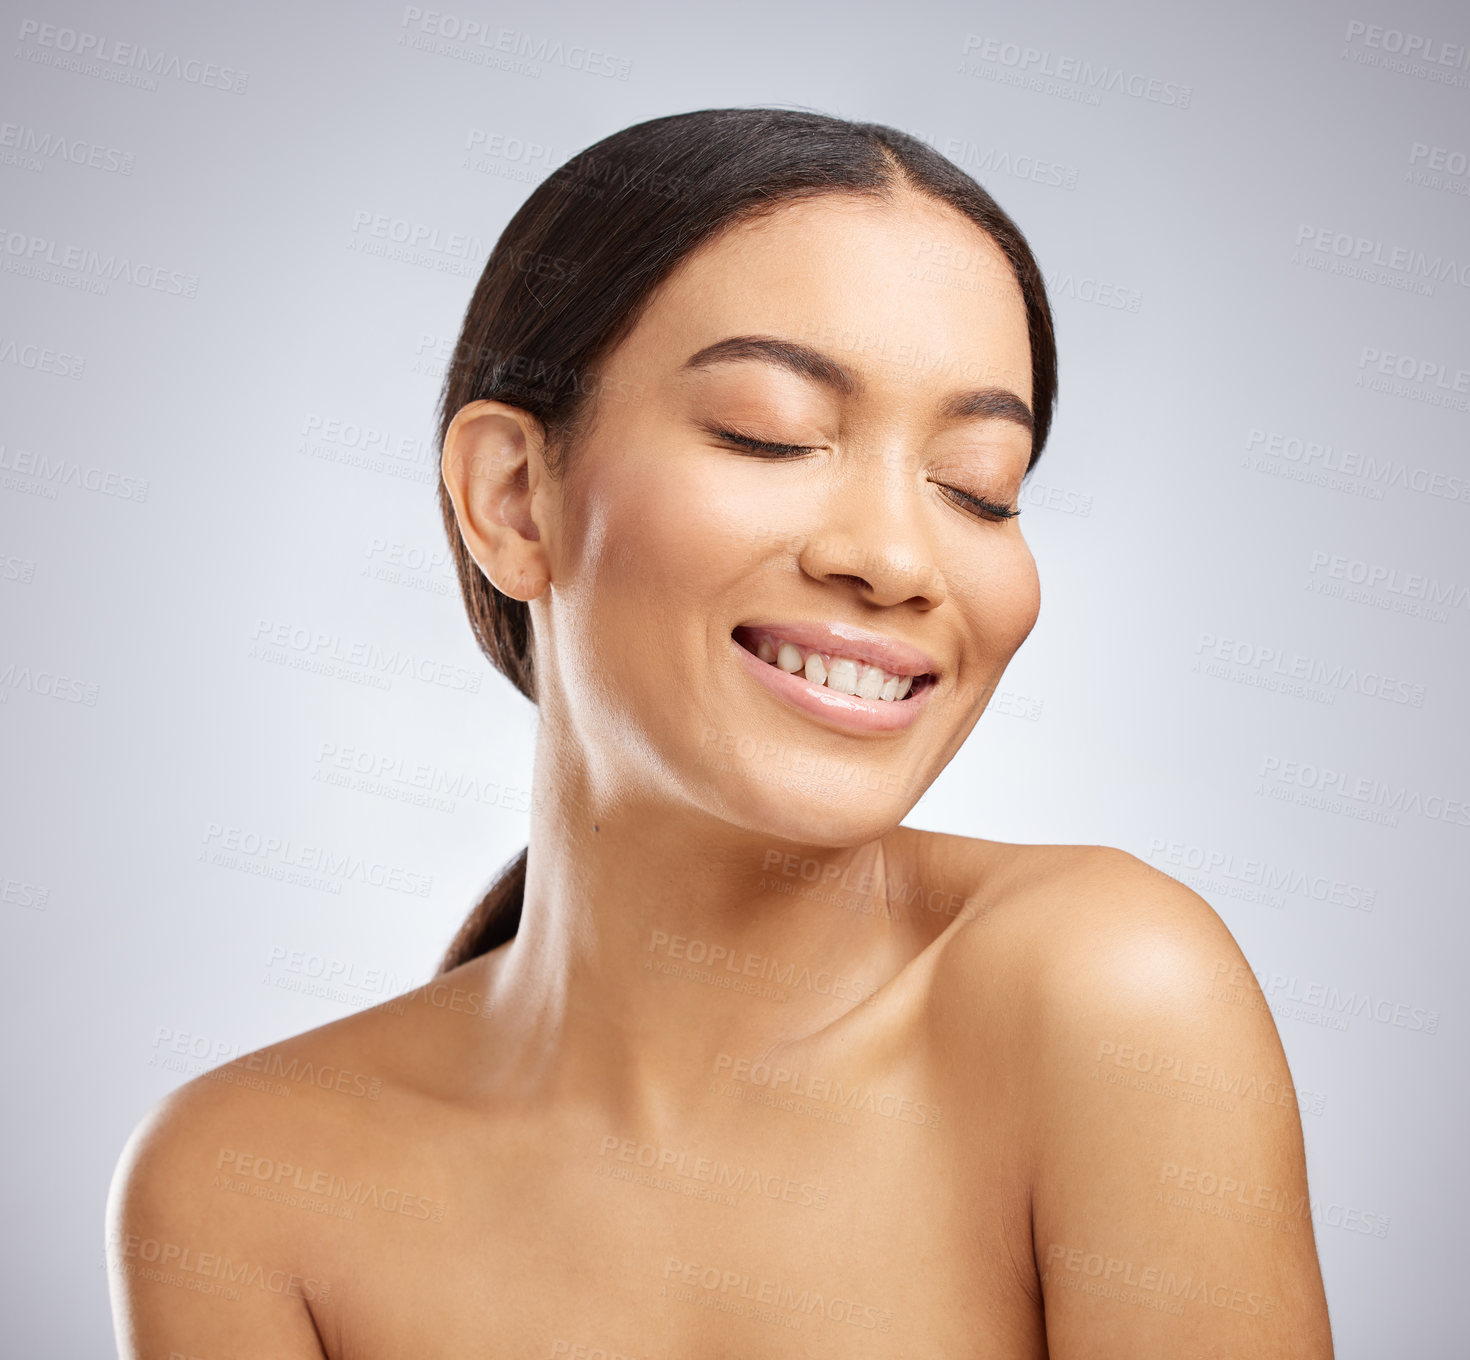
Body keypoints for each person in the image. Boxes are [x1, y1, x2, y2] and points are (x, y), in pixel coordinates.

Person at [106, 107, 1334, 1357]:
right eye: (772, 433)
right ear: (514, 498)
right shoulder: (236, 1186)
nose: (899, 559)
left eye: (978, 487)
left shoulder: (1111, 996)